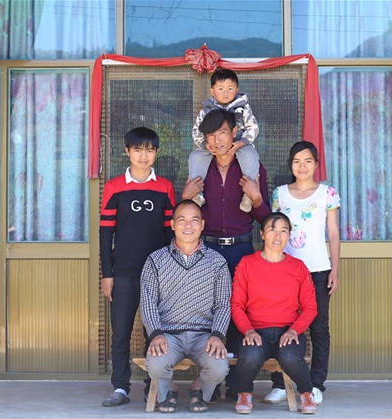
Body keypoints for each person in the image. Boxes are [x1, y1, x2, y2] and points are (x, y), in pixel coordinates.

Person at [182, 109, 270, 400]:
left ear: (234, 133)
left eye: (221, 133)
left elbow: (265, 218)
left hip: (241, 249)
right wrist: (185, 198)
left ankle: (236, 382)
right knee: (206, 311)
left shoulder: (250, 167)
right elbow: (186, 215)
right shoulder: (200, 167)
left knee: (239, 311)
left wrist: (256, 198)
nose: (216, 140)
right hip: (207, 249)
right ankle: (208, 378)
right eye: (210, 135)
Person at [100, 127, 176, 407]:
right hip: (122, 274)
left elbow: (170, 233)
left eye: (149, 150)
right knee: (120, 333)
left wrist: (170, 271)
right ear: (127, 152)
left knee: (154, 334)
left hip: (157, 275)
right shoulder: (114, 186)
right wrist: (107, 274)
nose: (143, 156)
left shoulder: (164, 187)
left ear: (156, 153)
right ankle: (120, 387)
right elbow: (106, 233)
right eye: (138, 150)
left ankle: (152, 387)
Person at [140, 200, 231, 413]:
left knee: (219, 367)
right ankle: (169, 392)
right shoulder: (155, 260)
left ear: (202, 225)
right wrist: (156, 334)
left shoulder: (217, 262)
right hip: (168, 335)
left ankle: (198, 388)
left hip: (204, 336)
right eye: (182, 220)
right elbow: (147, 301)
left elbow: (223, 304)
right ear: (172, 225)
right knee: (156, 364)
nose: (188, 225)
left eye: (194, 220)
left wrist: (217, 335)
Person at [268, 141, 341, 406]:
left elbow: (333, 233)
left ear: (316, 164)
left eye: (308, 161)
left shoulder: (327, 194)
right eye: (297, 161)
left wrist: (335, 269)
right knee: (280, 325)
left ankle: (316, 383)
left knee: (318, 328)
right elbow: (273, 231)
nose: (302, 166)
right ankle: (280, 383)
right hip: (284, 270)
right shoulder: (280, 194)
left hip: (318, 270)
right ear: (291, 165)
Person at [231, 212, 319, 414]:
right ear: (262, 234)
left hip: (288, 331)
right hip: (255, 331)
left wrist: (294, 330)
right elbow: (236, 304)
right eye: (272, 230)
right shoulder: (247, 264)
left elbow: (310, 307)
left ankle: (306, 394)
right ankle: (244, 393)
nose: (278, 236)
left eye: (283, 231)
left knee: (290, 357)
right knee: (250, 356)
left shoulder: (298, 267)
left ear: (289, 236)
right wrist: (248, 330)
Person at [189, 69, 260, 213]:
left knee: (250, 155)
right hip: (212, 146)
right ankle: (197, 195)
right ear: (212, 91)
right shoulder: (206, 110)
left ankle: (248, 196)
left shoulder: (243, 107)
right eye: (220, 89)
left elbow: (253, 127)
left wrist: (243, 142)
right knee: (196, 156)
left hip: (239, 144)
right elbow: (196, 130)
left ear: (237, 90)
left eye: (230, 89)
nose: (225, 93)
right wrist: (204, 145)